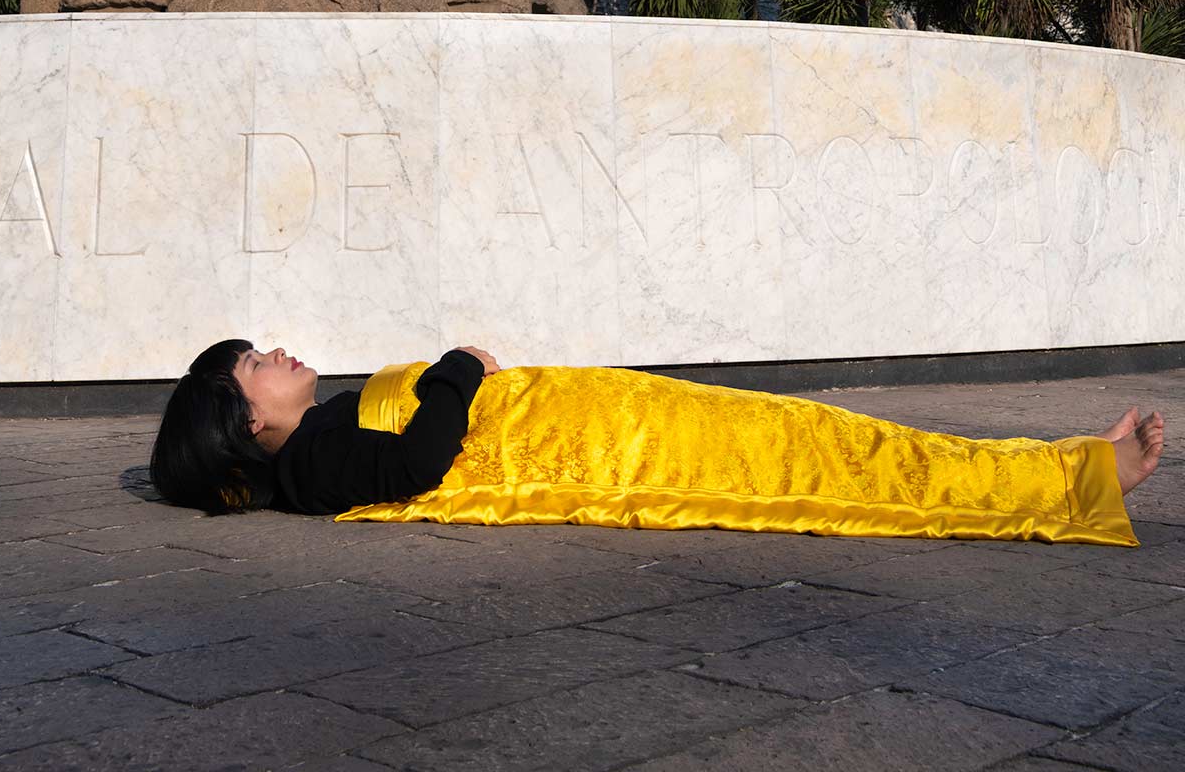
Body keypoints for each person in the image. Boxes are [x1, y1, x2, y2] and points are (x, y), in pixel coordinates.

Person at [149, 341, 1165, 548]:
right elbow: (421, 463)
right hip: (619, 447)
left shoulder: (315, 443)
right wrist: (458, 365)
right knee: (827, 456)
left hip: (607, 422)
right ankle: (1077, 478)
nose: (278, 353)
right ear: (247, 423)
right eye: (256, 363)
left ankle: (1073, 471)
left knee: (826, 439)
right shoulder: (313, 461)